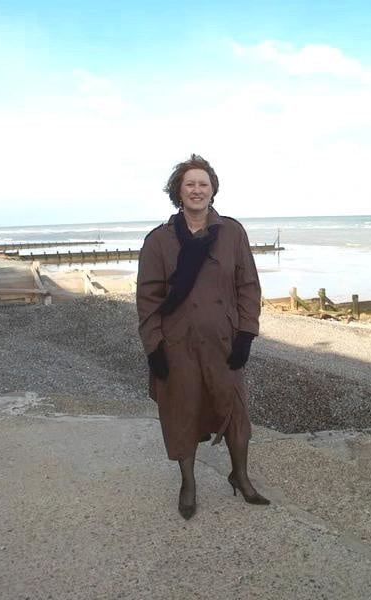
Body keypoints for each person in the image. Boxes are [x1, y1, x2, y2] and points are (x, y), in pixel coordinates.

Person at [136, 154, 270, 520]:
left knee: (236, 411)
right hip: (177, 344)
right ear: (178, 192)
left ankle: (240, 476)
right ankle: (189, 484)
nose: (197, 190)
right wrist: (154, 347)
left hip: (224, 342)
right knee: (183, 412)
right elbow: (147, 298)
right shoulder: (159, 241)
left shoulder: (232, 233)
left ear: (213, 191)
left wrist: (246, 333)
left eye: (203, 184)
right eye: (190, 184)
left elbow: (248, 286)